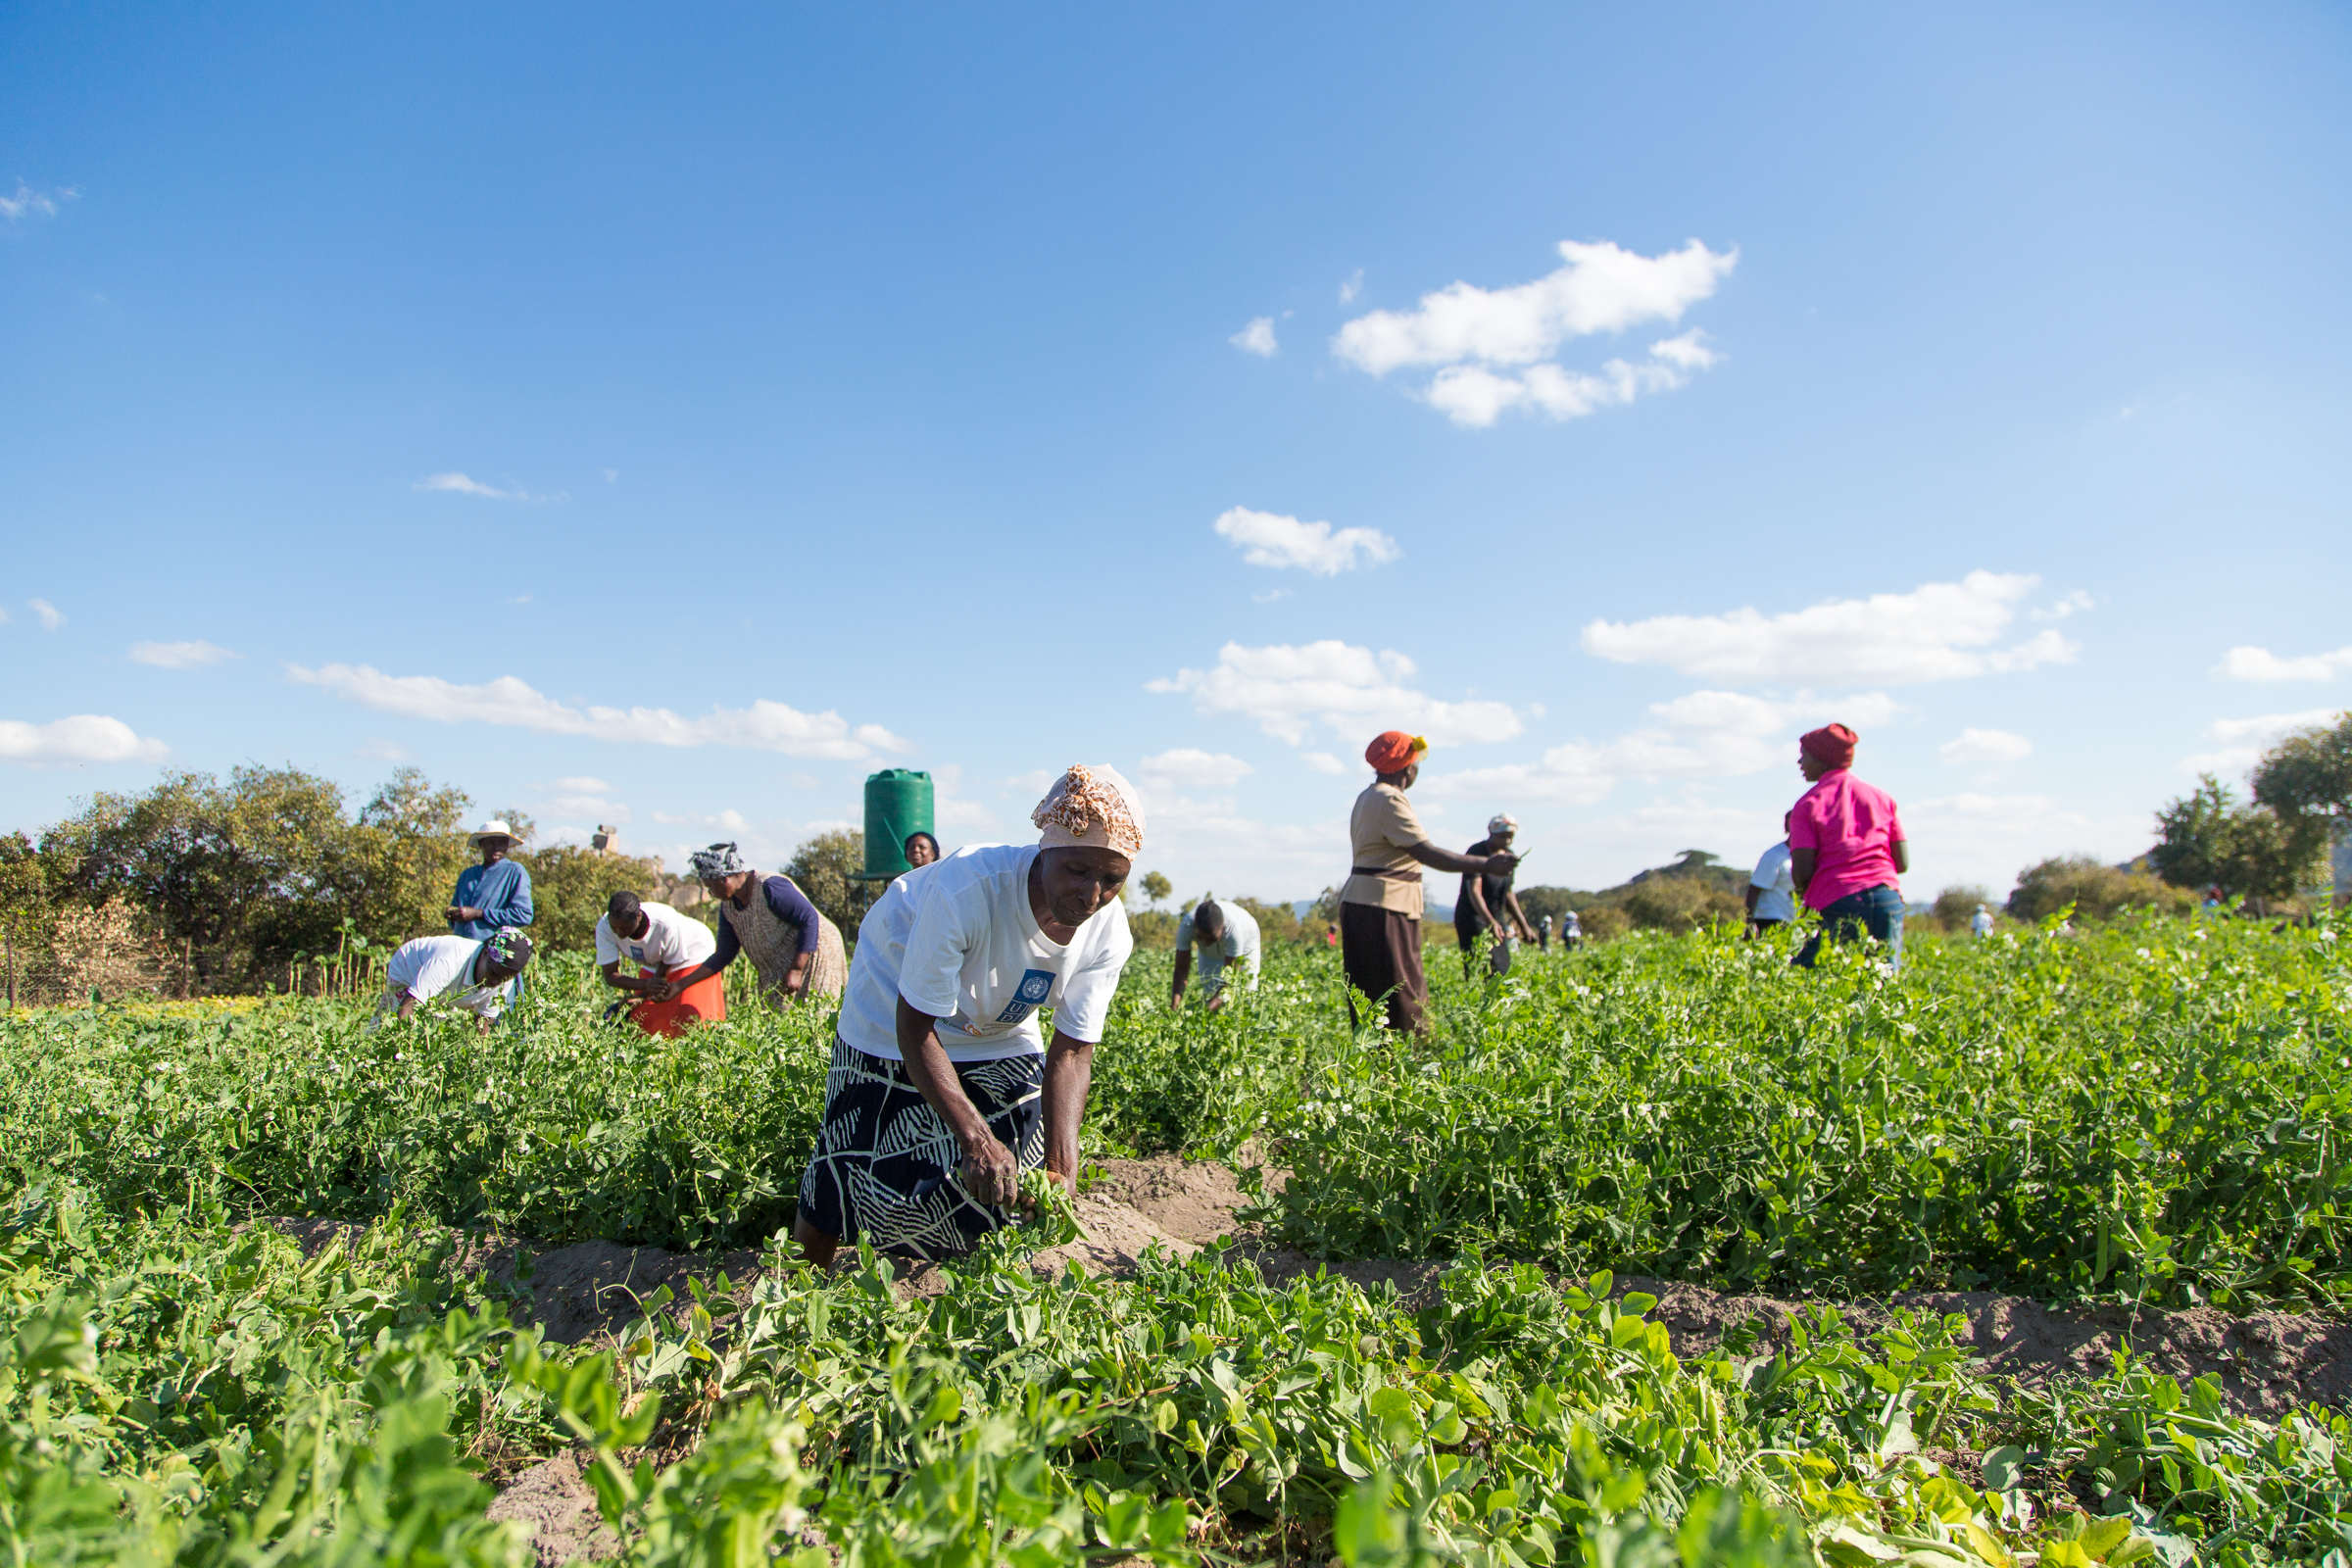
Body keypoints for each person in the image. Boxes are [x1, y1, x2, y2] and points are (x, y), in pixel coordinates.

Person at [794, 763, 1143, 1264]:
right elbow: (914, 1028)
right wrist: (975, 1137)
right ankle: (796, 1292)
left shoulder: (1108, 932)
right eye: (1078, 871)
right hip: (894, 1002)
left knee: (1022, 1158)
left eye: (1113, 880)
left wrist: (1062, 1167)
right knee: (851, 1152)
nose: (1092, 896)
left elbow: (1072, 1052)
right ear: (1046, 849)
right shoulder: (970, 887)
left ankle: (976, 1290)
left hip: (998, 1021)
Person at [1340, 732, 1517, 1034]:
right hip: (1384, 904)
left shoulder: (1368, 796)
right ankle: (1409, 1063)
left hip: (1366, 902)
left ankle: (1376, 1061)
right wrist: (1487, 865)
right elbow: (1427, 852)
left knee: (1372, 990)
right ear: (1409, 767)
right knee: (1401, 990)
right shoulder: (1389, 799)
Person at [659, 844, 847, 1007]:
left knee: (817, 1014)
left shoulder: (770, 887)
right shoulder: (729, 907)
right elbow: (723, 955)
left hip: (816, 953)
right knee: (779, 1027)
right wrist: (679, 986)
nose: (710, 892)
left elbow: (809, 918)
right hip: (779, 966)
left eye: (710, 885)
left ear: (724, 878)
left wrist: (797, 970)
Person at [1789, 724, 1910, 969]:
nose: (1800, 762)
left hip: (1836, 901)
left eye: (1805, 755)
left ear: (1823, 760)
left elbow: (1802, 873)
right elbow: (1902, 863)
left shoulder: (1807, 804)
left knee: (1818, 980)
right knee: (1882, 982)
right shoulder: (1881, 797)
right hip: (1887, 898)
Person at [595, 890, 724, 1036]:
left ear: (638, 916)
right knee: (641, 1022)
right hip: (654, 963)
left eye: (624, 928)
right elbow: (610, 976)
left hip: (693, 954)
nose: (618, 932)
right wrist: (644, 989)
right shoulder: (605, 927)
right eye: (615, 927)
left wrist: (645, 991)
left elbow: (662, 973)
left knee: (688, 1020)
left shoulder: (664, 923)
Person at [371, 928, 533, 1031]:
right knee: (387, 1025)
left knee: (434, 1031)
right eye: (494, 973)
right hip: (409, 968)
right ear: (485, 954)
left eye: (505, 978)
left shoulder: (504, 979)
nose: (497, 983)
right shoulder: (450, 960)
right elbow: (408, 1007)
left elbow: (484, 1024)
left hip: (448, 988)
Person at [1454, 812, 1538, 976]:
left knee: (1502, 968)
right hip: (1473, 917)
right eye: (1502, 836)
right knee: (1480, 967)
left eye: (1510, 837)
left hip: (1496, 917)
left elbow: (1507, 894)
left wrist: (1524, 926)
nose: (1507, 841)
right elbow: (1474, 892)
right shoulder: (1477, 851)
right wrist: (1489, 922)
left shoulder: (1508, 857)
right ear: (1491, 833)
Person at [447, 821, 534, 941]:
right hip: (459, 948)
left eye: (501, 843)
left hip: (490, 950)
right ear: (481, 844)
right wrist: (453, 915)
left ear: (507, 845)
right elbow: (454, 916)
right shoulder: (467, 875)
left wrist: (479, 913)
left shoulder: (514, 871)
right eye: (490, 842)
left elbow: (523, 915)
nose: (496, 848)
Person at [1170, 897, 1260, 1012]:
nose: (1206, 943)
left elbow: (1231, 980)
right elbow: (1181, 968)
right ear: (1195, 928)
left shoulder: (1233, 931)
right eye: (1201, 938)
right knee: (1210, 992)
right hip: (1214, 945)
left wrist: (1204, 1013)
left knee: (1246, 995)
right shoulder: (1187, 926)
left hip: (1247, 938)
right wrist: (1174, 1008)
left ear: (1222, 929)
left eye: (1211, 938)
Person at [1746, 814, 1796, 935]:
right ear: (1786, 827)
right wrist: (1750, 923)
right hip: (1771, 919)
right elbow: (1754, 889)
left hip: (1794, 921)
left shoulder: (1809, 856)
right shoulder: (1773, 855)